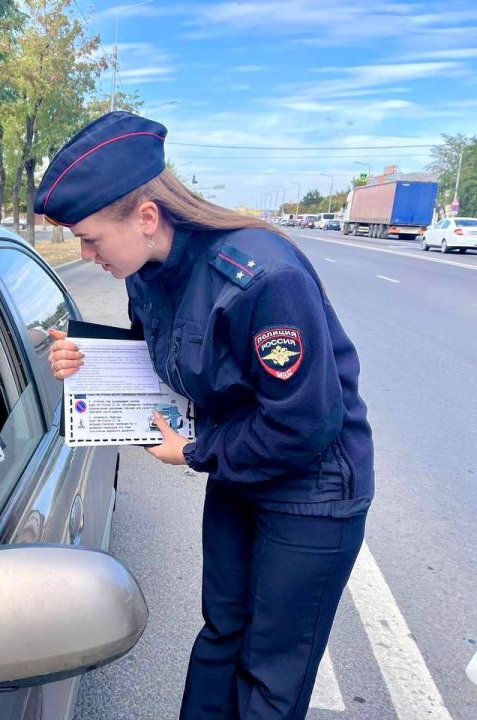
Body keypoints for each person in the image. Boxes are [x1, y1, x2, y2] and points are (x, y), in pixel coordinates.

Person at [38, 111, 373, 720]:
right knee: (221, 634)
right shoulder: (148, 271)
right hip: (240, 468)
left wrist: (195, 452)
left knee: (271, 671)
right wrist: (87, 359)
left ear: (146, 217)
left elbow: (304, 423)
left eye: (90, 239)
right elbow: (165, 356)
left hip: (312, 488)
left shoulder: (260, 277)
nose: (85, 254)